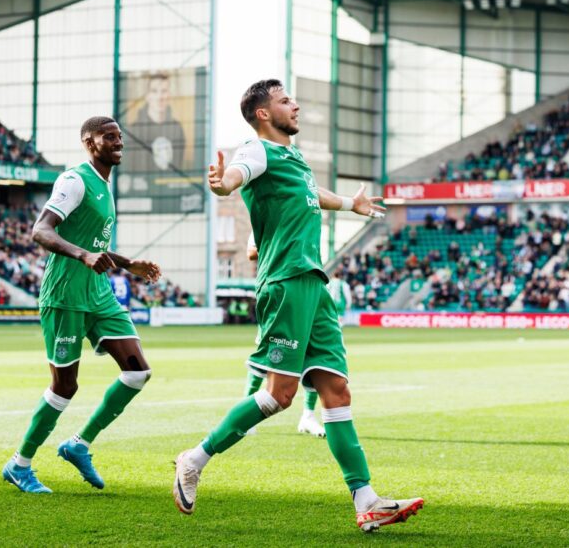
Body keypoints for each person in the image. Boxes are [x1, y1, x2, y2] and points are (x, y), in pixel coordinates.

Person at [172, 79, 423, 532]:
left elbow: (312, 193)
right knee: (278, 396)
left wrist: (350, 204)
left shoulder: (292, 157)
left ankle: (367, 501)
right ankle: (194, 459)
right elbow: (236, 177)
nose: (297, 105)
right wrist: (221, 184)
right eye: (286, 100)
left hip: (313, 283)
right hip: (286, 281)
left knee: (336, 391)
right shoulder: (257, 150)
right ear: (264, 113)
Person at [2, 116, 161, 494]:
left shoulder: (105, 186)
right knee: (65, 386)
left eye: (120, 136)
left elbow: (93, 244)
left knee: (138, 371)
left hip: (99, 293)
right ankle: (19, 464)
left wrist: (127, 264)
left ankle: (79, 444)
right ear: (89, 142)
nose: (118, 141)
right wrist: (82, 256)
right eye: (110, 136)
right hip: (65, 294)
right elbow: (41, 229)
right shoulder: (74, 180)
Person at [245, 234, 326, 438]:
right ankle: (246, 413)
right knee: (267, 352)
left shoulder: (306, 215)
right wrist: (281, 245)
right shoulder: (268, 215)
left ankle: (308, 416)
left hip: (306, 289)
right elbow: (250, 253)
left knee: (314, 354)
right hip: (278, 289)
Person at [128, 72, 187, 173]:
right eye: (154, 91)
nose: (160, 97)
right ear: (147, 96)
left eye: (164, 91)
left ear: (169, 95)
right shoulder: (134, 130)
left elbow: (177, 168)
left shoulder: (177, 129)